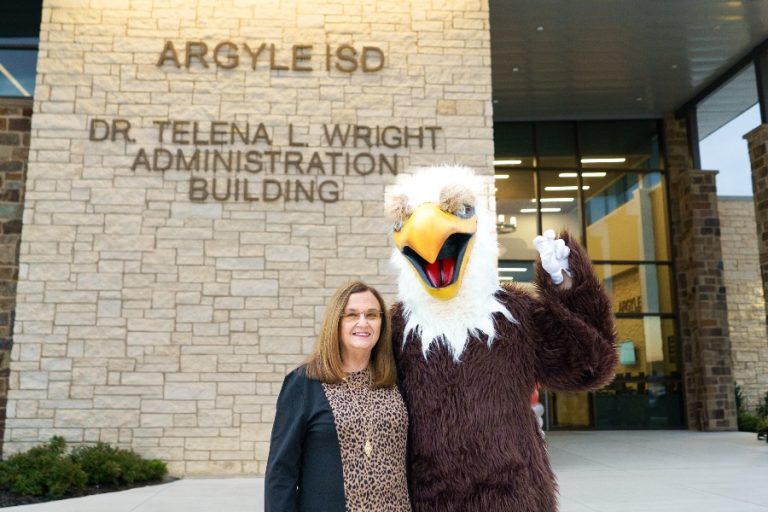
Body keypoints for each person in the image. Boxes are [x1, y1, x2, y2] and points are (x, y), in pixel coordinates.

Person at [265, 281, 411, 512]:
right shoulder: (304, 384)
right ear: (337, 321)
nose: (363, 323)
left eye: (372, 315)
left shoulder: (395, 381)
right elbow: (281, 472)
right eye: (352, 315)